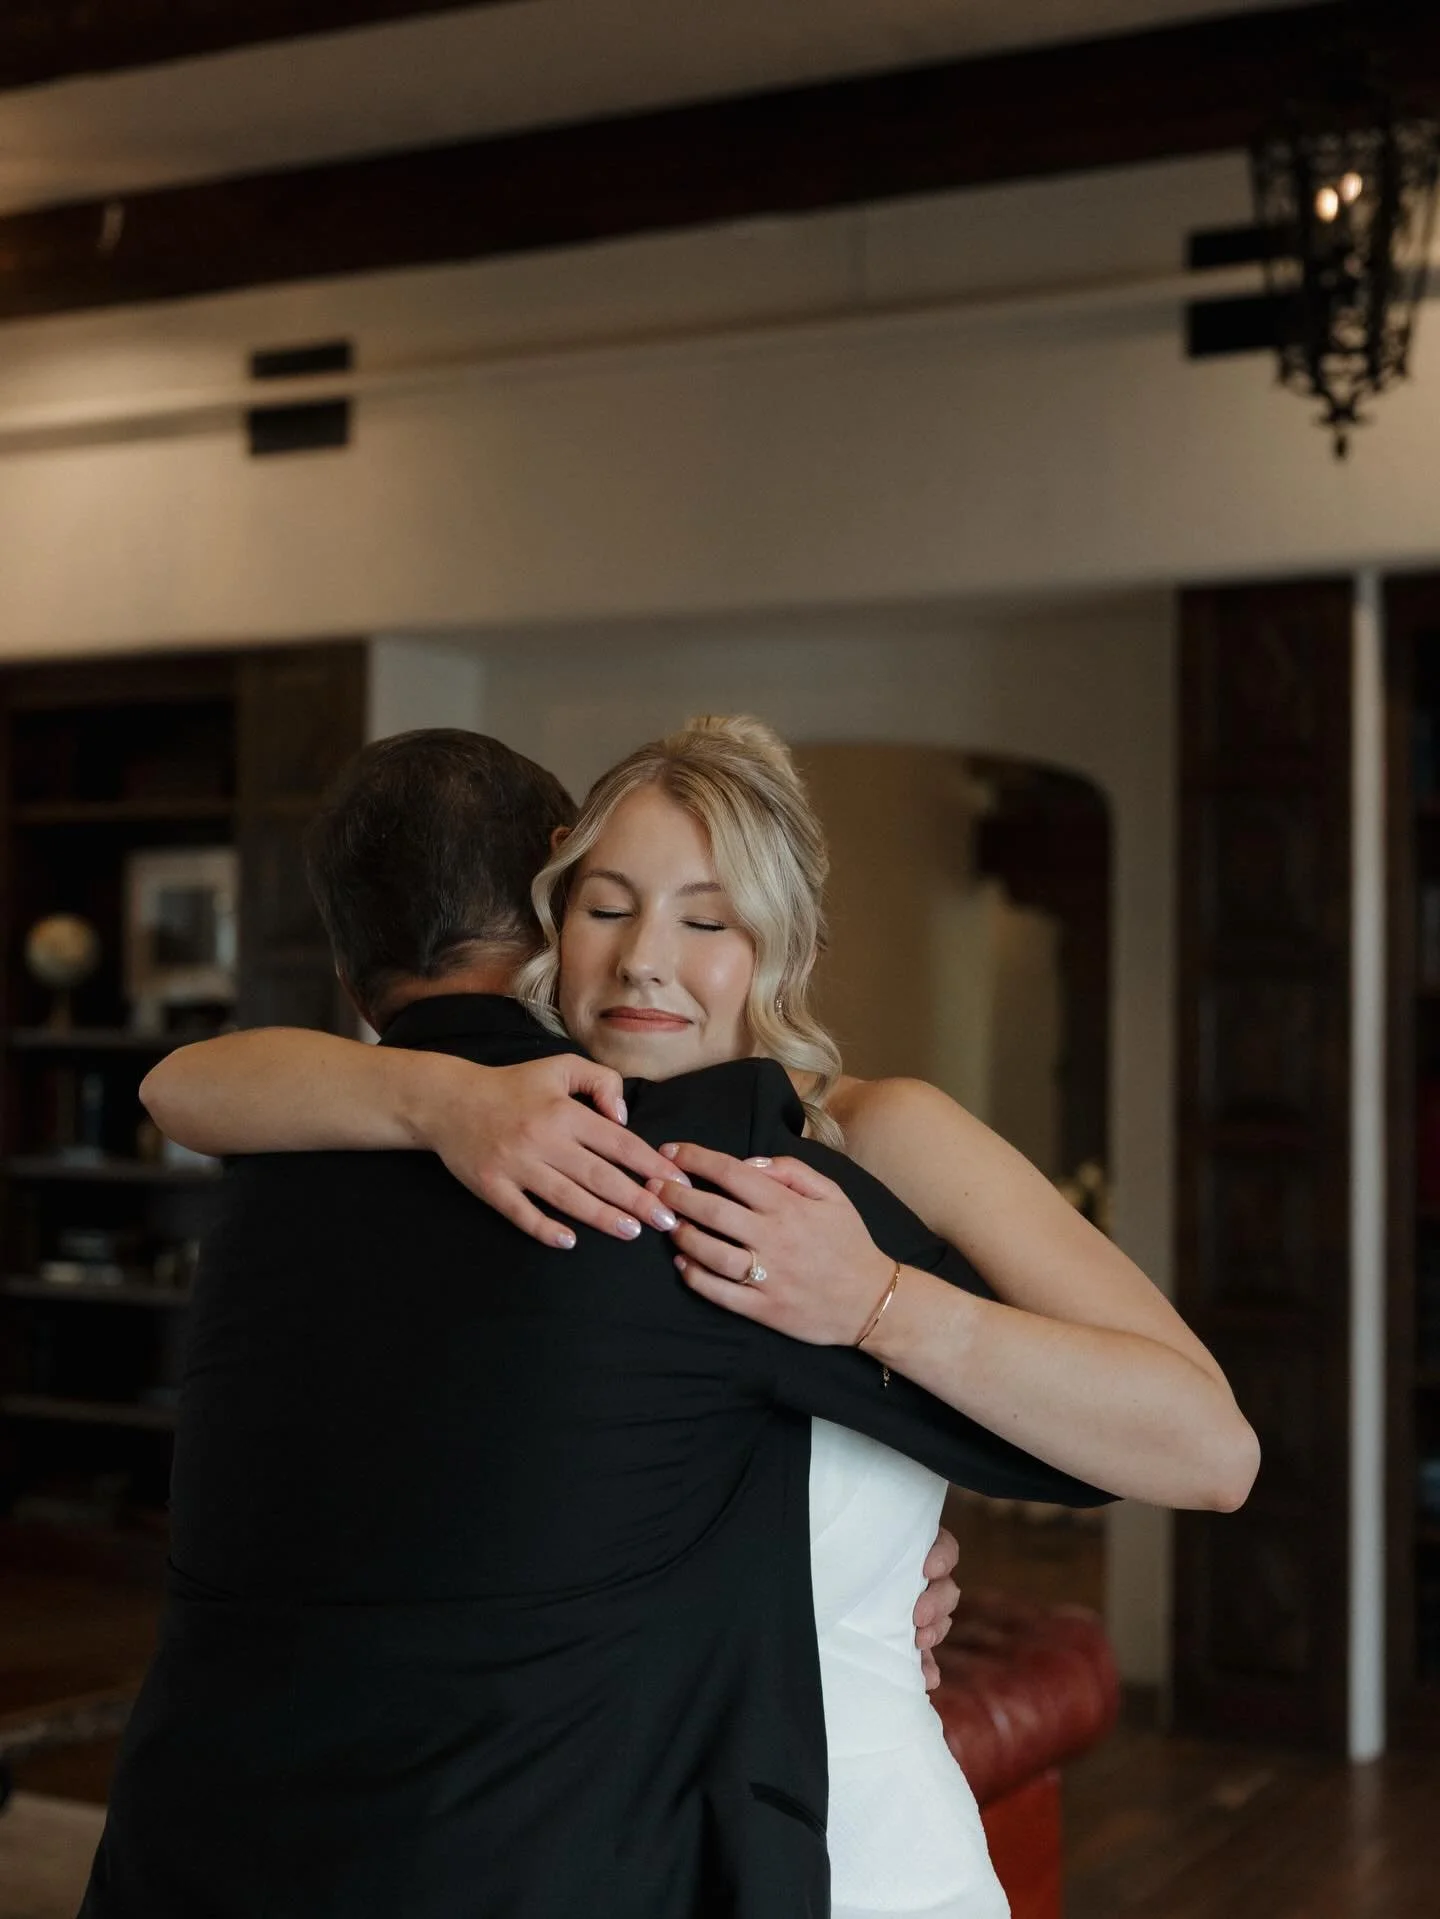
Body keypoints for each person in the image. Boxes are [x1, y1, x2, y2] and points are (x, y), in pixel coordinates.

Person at [139, 720, 1259, 1919]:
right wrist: (438, 1094)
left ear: (786, 944)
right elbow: (186, 1086)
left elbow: (1209, 1446)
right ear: (549, 918)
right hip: (658, 1837)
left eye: (706, 918)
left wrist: (873, 1301)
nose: (642, 962)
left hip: (853, 1835)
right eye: (606, 908)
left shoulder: (878, 1134)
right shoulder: (531, 1139)